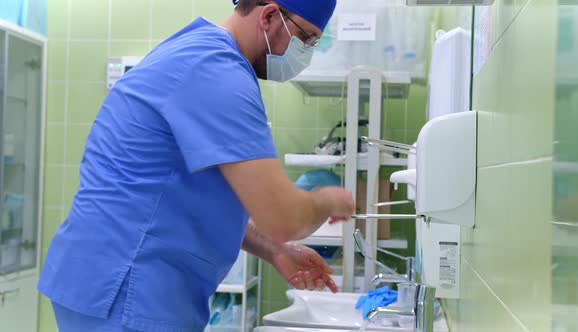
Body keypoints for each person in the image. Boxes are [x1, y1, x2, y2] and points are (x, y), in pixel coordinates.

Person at [38, 0, 355, 331]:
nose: (305, 53)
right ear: (270, 15)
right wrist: (331, 198)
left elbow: (186, 192)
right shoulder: (217, 70)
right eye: (305, 38)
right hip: (128, 289)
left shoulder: (198, 52)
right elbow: (283, 217)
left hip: (112, 281)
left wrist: (274, 249)